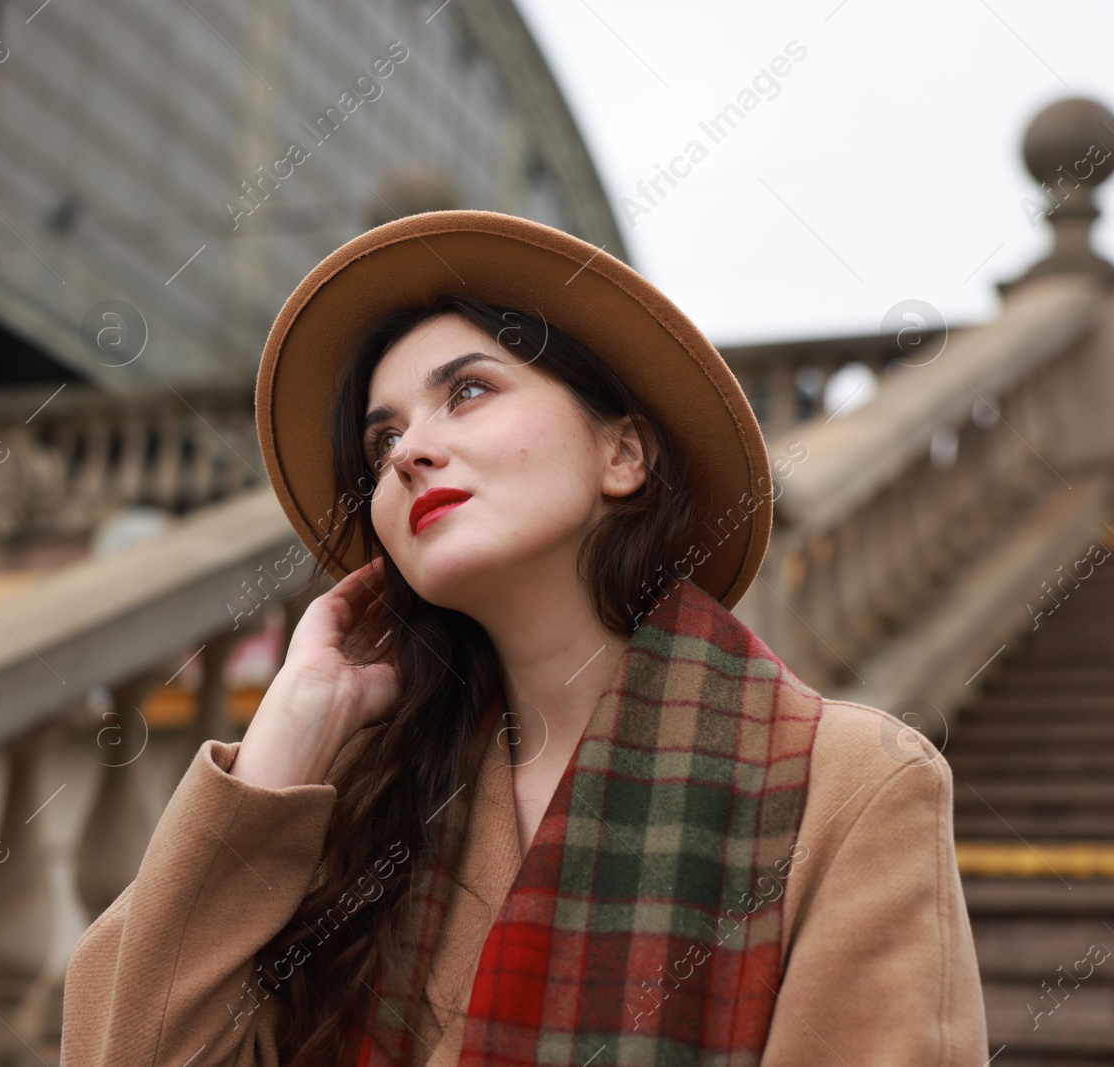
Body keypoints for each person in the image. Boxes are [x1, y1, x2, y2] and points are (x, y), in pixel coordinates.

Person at [60, 210, 987, 1065]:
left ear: (623, 454)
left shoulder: (851, 788)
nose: (410, 452)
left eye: (467, 392)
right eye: (382, 443)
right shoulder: (364, 801)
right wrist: (285, 739)